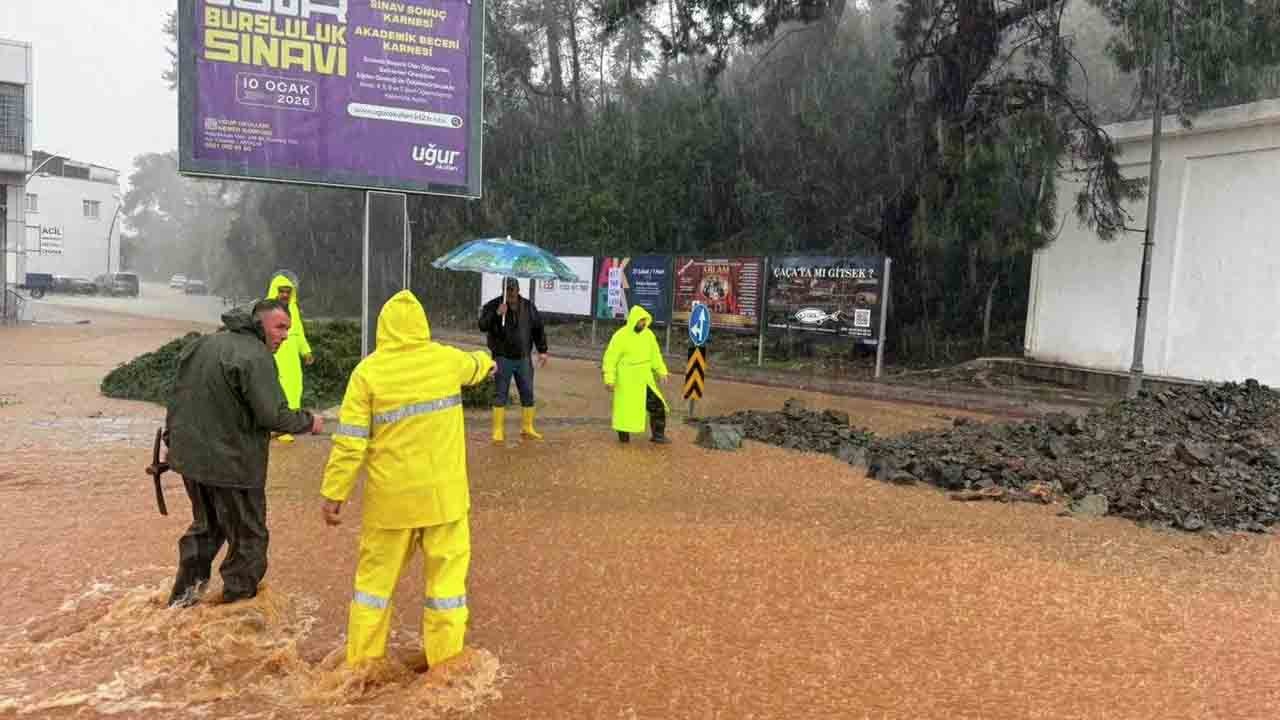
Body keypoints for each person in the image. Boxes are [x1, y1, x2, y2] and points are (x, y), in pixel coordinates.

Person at [320, 290, 495, 670]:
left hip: (390, 503)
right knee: (446, 591)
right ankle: (446, 671)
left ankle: (361, 669)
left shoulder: (367, 372)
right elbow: (477, 365)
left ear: (383, 328)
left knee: (373, 591)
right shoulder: (446, 361)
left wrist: (335, 493)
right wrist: (489, 361)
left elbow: (350, 442)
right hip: (444, 501)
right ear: (422, 326)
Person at [165, 299, 323, 608]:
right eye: (279, 327)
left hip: (191, 462)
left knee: (206, 529)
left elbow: (177, 396)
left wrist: (174, 442)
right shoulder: (255, 355)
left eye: (289, 329)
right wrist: (309, 422)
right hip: (234, 467)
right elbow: (271, 415)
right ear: (259, 322)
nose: (284, 335)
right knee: (249, 540)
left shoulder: (202, 345)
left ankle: (182, 603)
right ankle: (238, 612)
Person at [478, 277, 548, 444]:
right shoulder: (493, 305)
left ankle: (527, 427)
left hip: (523, 357)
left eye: (512, 290)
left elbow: (538, 329)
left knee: (528, 393)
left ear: (518, 290)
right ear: (503, 290)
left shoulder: (529, 307)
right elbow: (482, 325)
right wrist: (497, 314)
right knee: (500, 393)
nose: (510, 293)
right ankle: (497, 430)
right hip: (502, 357)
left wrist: (542, 350)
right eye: (507, 290)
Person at [602, 305, 671, 444]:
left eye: (645, 320)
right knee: (624, 409)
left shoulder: (649, 335)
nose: (643, 323)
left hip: (645, 378)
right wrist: (609, 379)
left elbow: (655, 355)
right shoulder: (620, 335)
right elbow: (610, 359)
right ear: (634, 320)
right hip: (626, 379)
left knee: (657, 405)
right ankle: (623, 436)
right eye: (641, 321)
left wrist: (662, 371)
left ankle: (658, 435)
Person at [266, 272, 314, 444]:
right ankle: (276, 426)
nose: (285, 294)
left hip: (292, 360)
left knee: (294, 389)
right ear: (274, 291)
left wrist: (306, 352)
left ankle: (289, 426)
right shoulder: (266, 311)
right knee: (276, 390)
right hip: (274, 358)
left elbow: (298, 333)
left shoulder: (293, 309)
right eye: (282, 291)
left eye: (288, 291)